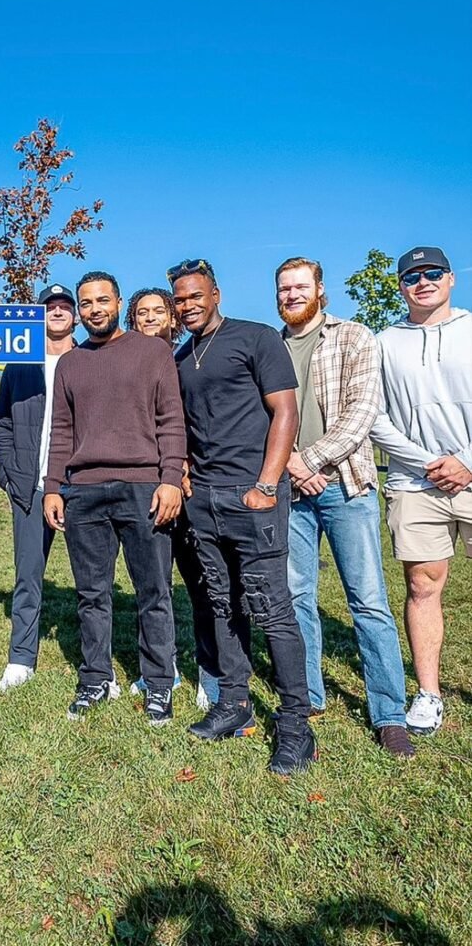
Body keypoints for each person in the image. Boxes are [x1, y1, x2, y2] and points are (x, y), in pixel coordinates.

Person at [170, 259, 316, 775]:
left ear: (216, 293)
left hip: (253, 496)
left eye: (196, 295)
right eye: (180, 298)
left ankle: (297, 724)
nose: (188, 305)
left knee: (271, 607)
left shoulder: (256, 339)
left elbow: (286, 413)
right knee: (220, 602)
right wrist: (185, 472)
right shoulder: (182, 356)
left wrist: (266, 484)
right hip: (204, 501)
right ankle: (234, 702)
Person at [276, 257, 412, 758]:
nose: (291, 295)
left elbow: (361, 414)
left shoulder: (353, 337)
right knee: (296, 595)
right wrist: (290, 468)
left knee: (368, 600)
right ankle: (309, 695)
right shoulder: (270, 345)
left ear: (320, 290)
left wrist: (308, 460)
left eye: (300, 286)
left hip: (345, 486)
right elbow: (260, 417)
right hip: (288, 491)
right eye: (284, 288)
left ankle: (389, 713)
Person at [44, 271, 185, 727]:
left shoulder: (152, 351)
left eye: (102, 300)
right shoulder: (71, 363)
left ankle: (160, 683)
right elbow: (62, 431)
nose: (94, 309)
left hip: (144, 489)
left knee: (154, 591)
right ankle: (95, 678)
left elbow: (171, 419)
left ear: (118, 303)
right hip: (83, 492)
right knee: (91, 594)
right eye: (86, 303)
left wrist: (168, 479)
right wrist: (52, 486)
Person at [371, 246, 472, 736]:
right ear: (401, 286)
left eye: (433, 273)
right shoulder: (385, 342)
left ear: (451, 279)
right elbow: (375, 415)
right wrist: (427, 462)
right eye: (412, 276)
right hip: (416, 481)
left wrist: (466, 463)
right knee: (422, 585)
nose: (423, 281)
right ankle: (429, 694)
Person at [125, 287, 219, 710]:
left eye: (157, 311)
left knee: (203, 585)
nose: (149, 318)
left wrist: (183, 468)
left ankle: (212, 672)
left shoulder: (186, 360)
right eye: (141, 312)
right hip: (149, 490)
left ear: (172, 318)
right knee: (153, 584)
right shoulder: (125, 367)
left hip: (192, 487)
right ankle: (161, 668)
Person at [0, 283, 77, 691]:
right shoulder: (20, 364)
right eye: (50, 306)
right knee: (28, 576)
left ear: (75, 315)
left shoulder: (89, 360)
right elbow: (2, 423)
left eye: (64, 306)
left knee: (92, 581)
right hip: (30, 487)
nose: (57, 312)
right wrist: (7, 473)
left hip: (81, 486)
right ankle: (21, 659)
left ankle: (98, 664)